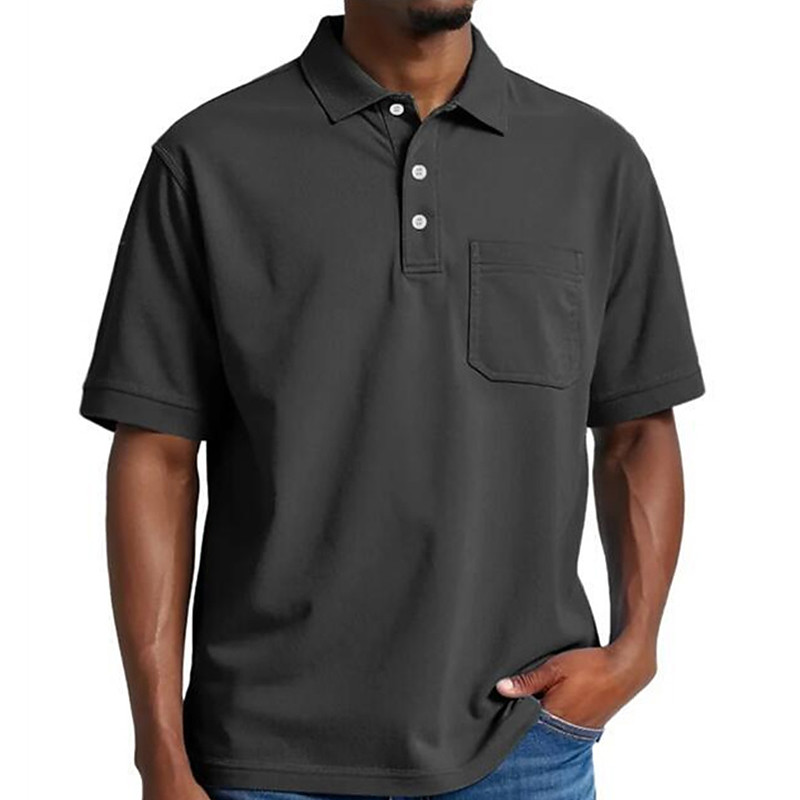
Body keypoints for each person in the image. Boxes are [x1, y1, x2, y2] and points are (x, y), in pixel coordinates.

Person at [80, 2, 705, 799]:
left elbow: (638, 426)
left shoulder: (595, 160)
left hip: (521, 747)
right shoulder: (208, 157)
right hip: (262, 759)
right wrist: (159, 753)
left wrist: (635, 651)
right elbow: (156, 454)